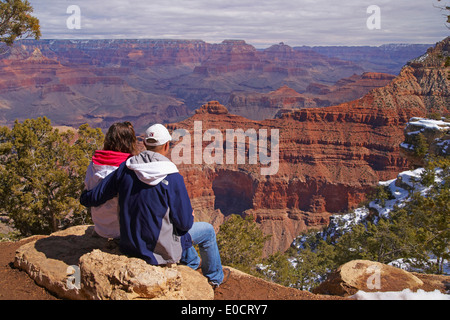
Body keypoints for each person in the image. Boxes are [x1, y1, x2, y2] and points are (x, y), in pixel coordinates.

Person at [80, 123, 225, 287]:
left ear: (145, 144)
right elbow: (184, 224)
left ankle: (190, 263)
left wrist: (85, 196)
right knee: (207, 230)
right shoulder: (172, 176)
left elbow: (96, 196)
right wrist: (185, 218)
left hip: (129, 244)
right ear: (166, 146)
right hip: (157, 252)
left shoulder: (126, 168)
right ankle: (214, 279)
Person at [84, 121, 138, 239]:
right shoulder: (129, 167)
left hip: (100, 228)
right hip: (122, 230)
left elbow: (87, 188)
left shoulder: (94, 163)